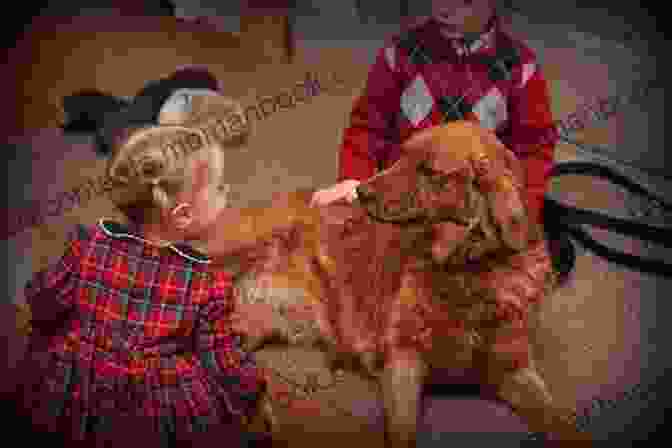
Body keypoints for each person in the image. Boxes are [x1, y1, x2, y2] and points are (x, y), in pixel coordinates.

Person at [14, 68, 277, 448]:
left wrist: (50, 327)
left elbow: (42, 298)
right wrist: (253, 389)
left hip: (79, 391)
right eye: (220, 188)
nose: (228, 195)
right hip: (155, 408)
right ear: (184, 215)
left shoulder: (86, 247)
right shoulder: (207, 284)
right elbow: (225, 362)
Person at [311, 0, 558, 230]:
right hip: (398, 200)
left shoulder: (521, 70)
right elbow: (367, 128)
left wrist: (523, 209)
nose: (444, 7)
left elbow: (534, 151)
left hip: (470, 216)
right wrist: (353, 179)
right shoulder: (399, 54)